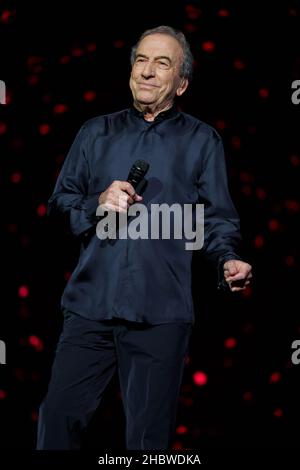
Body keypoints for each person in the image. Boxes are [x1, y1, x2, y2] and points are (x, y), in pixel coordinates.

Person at [37, 25, 252, 450]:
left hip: (161, 313)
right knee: (57, 423)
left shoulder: (202, 140)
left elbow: (216, 220)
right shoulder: (94, 132)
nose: (148, 72)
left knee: (149, 443)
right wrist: (97, 202)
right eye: (141, 60)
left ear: (182, 82)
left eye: (162, 63)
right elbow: (58, 205)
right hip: (90, 307)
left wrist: (227, 258)